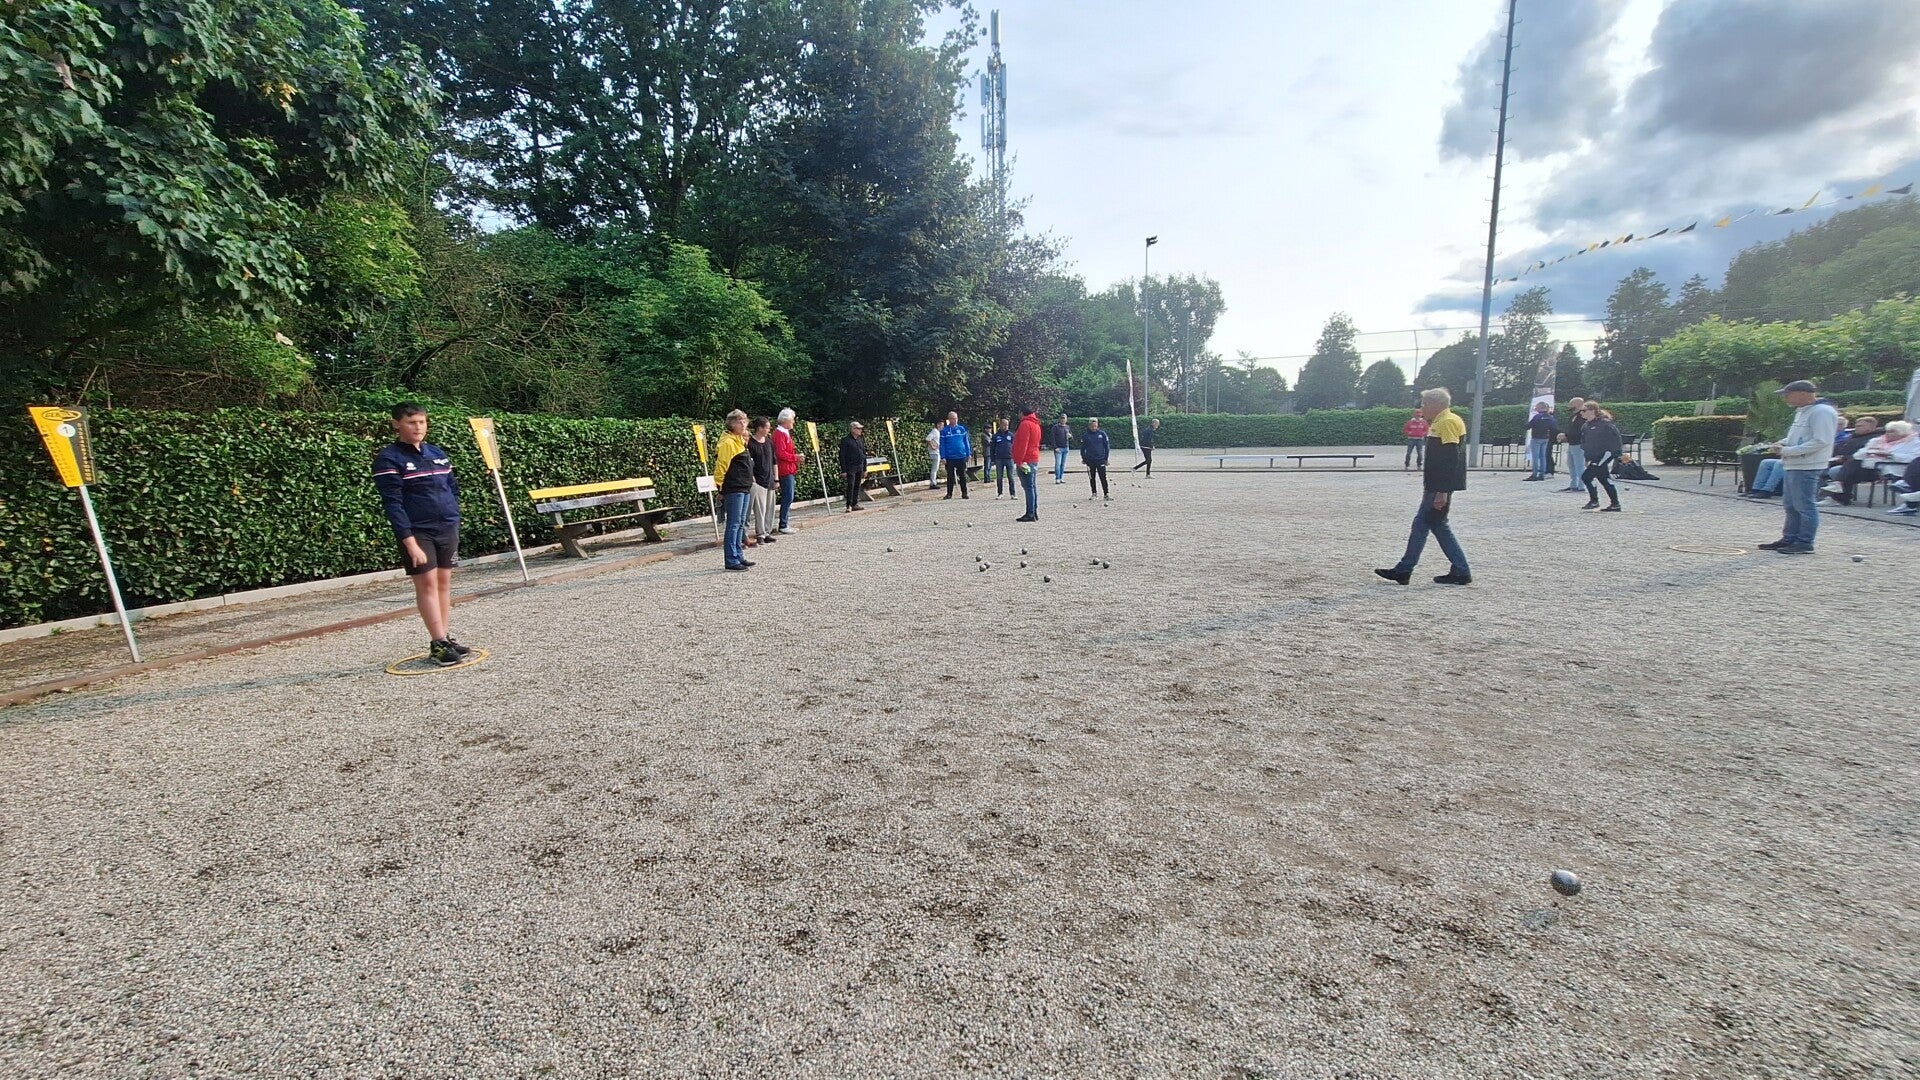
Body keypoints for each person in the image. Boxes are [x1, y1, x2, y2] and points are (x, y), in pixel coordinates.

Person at [372, 402, 472, 665]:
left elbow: (452, 488)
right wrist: (409, 542)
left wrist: (453, 515)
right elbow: (393, 504)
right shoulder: (389, 459)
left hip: (447, 526)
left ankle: (444, 637)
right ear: (396, 424)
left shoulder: (436, 453)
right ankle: (437, 643)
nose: (418, 427)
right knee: (427, 584)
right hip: (417, 532)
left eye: (422, 422)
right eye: (411, 422)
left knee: (443, 582)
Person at [1375, 387, 1471, 586]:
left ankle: (1407, 569)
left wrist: (1442, 492)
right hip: (1437, 485)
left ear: (1436, 404)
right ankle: (1455, 569)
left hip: (1438, 486)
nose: (1422, 408)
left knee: (1428, 525)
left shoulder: (1447, 422)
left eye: (1425, 403)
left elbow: (1450, 458)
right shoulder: (1445, 420)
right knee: (1432, 525)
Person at [1759, 380, 1838, 554]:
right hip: (1794, 463)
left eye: (1788, 394)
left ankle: (1805, 542)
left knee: (1804, 505)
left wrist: (1788, 451)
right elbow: (1799, 436)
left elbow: (1821, 440)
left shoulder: (1821, 412)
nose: (1785, 398)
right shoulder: (1803, 411)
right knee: (1791, 505)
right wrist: (1782, 443)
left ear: (1803, 393)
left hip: (1807, 464)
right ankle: (1789, 538)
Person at [714, 410, 755, 571]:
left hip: (743, 486)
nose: (743, 424)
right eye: (739, 421)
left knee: (740, 523)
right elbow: (721, 466)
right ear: (731, 424)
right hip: (733, 487)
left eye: (744, 420)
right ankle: (731, 559)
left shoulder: (739, 440)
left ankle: (738, 555)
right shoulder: (727, 443)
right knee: (734, 523)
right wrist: (720, 487)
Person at [1818, 416, 1881, 505]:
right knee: (1819, 468)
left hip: (1864, 468)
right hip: (1842, 462)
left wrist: (1844, 458)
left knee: (1837, 471)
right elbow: (1837, 448)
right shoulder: (1852, 437)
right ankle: (1820, 496)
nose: (1856, 428)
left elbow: (1865, 455)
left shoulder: (1875, 440)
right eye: (1856, 426)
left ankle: (1839, 498)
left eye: (1860, 426)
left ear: (1871, 427)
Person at [1577, 403, 1623, 511]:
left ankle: (1595, 501)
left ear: (1592, 410)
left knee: (1587, 477)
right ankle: (1614, 503)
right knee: (1603, 478)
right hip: (1593, 456)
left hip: (1604, 454)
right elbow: (1585, 442)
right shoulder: (1586, 425)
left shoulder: (1605, 424)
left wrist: (1613, 453)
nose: (1581, 413)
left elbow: (1615, 440)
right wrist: (1587, 457)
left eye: (1584, 410)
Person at [747, 417, 779, 545]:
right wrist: (752, 478)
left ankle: (767, 531)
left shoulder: (769, 442)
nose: (768, 430)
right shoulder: (750, 443)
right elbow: (749, 463)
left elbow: (774, 461)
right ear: (760, 428)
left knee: (770, 508)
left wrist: (776, 478)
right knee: (760, 509)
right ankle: (760, 533)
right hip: (758, 480)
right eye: (767, 427)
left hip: (770, 478)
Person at [772, 408, 802, 534]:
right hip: (784, 469)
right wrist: (795, 457)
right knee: (788, 496)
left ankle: (784, 522)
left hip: (788, 468)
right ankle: (783, 524)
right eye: (792, 420)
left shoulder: (784, 433)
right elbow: (781, 453)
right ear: (786, 420)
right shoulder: (780, 434)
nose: (793, 422)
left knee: (789, 496)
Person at [1013, 407, 1042, 522]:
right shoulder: (1036, 424)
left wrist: (1019, 460)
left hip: (1026, 459)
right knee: (1032, 486)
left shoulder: (1025, 424)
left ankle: (1030, 513)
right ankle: (1034, 512)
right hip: (1033, 457)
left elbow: (1022, 444)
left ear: (1022, 412)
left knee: (1028, 487)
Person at [939, 411, 972, 499]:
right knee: (950, 476)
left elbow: (966, 442)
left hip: (961, 456)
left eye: (956, 418)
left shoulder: (961, 429)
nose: (955, 420)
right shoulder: (944, 431)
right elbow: (942, 445)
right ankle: (949, 493)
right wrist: (943, 456)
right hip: (949, 457)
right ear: (949, 419)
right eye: (953, 418)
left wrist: (968, 453)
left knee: (962, 475)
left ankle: (964, 493)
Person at [1558, 397, 1587, 492]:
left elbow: (1580, 431)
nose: (1569, 407)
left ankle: (1581, 486)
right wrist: (1565, 435)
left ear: (1578, 404)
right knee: (1571, 465)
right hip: (1571, 444)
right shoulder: (1573, 416)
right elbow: (1571, 429)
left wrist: (1566, 435)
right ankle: (1573, 484)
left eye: (1571, 404)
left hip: (1579, 444)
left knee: (1579, 466)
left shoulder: (1583, 417)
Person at [1523, 402, 1558, 481]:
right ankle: (1542, 474)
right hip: (1545, 438)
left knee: (1535, 457)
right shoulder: (1550, 417)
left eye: (1536, 407)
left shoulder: (1537, 416)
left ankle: (1534, 474)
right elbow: (1554, 427)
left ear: (1540, 407)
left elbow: (1528, 426)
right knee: (1543, 457)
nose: (1535, 408)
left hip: (1536, 438)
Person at [840, 421, 869, 513]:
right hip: (850, 467)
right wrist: (843, 470)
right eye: (858, 428)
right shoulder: (846, 440)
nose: (860, 430)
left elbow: (863, 454)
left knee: (857, 485)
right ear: (853, 429)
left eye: (861, 428)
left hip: (859, 466)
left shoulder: (860, 439)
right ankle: (849, 505)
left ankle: (855, 504)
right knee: (851, 485)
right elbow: (842, 456)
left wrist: (864, 468)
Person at [1081, 417, 1112, 501]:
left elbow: (1107, 447)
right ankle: (1094, 493)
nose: (1093, 428)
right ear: (1089, 425)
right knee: (1092, 477)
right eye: (1092, 426)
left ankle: (1106, 494)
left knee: (1103, 477)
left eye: (1095, 426)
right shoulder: (1086, 435)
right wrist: (1084, 458)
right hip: (1090, 460)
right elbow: (1082, 449)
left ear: (1097, 425)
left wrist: (1106, 458)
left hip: (1100, 459)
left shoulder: (1102, 434)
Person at [989, 419, 1016, 497]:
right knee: (999, 477)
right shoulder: (995, 436)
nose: (1005, 427)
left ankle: (1012, 493)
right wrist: (992, 459)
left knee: (1011, 477)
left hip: (1009, 458)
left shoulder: (1011, 435)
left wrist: (1015, 457)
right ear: (1000, 425)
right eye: (1004, 425)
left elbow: (1015, 447)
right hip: (999, 459)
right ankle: (1000, 493)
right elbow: (992, 448)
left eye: (1007, 425)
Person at [1049, 413, 1073, 483]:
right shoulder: (1055, 427)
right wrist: (1055, 447)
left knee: (1063, 464)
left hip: (1066, 448)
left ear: (1066, 419)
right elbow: (1052, 438)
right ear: (1059, 419)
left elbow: (1071, 438)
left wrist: (1070, 437)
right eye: (1062, 418)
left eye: (1064, 418)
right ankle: (1057, 478)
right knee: (1058, 464)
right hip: (1058, 448)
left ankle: (1061, 477)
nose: (1063, 420)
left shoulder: (1067, 427)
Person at [924, 423, 941, 489]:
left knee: (935, 469)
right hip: (934, 453)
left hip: (935, 452)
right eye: (942, 425)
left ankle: (933, 482)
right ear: (938, 424)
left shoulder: (937, 432)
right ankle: (933, 483)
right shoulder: (935, 431)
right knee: (934, 469)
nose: (942, 427)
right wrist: (932, 446)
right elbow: (928, 439)